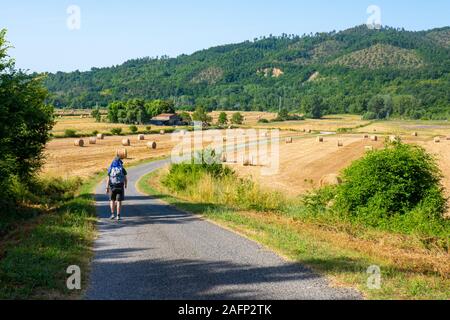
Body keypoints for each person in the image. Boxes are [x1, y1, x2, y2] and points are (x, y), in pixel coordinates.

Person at [106, 157, 128, 221]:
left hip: (112, 187)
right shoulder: (122, 169)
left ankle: (112, 214)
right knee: (119, 201)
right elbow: (125, 179)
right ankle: (118, 215)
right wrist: (125, 185)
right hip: (120, 187)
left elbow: (108, 179)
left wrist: (107, 187)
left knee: (112, 200)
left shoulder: (110, 169)